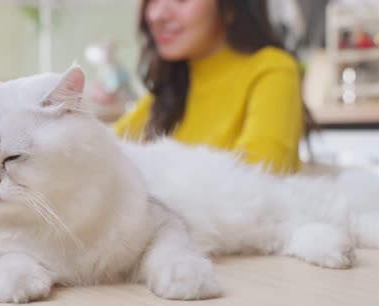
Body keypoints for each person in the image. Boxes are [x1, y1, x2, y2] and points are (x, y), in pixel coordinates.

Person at [98, 0, 311, 175]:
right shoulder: (169, 89)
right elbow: (103, 153)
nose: (155, 14)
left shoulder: (273, 69)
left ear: (229, 7)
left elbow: (258, 177)